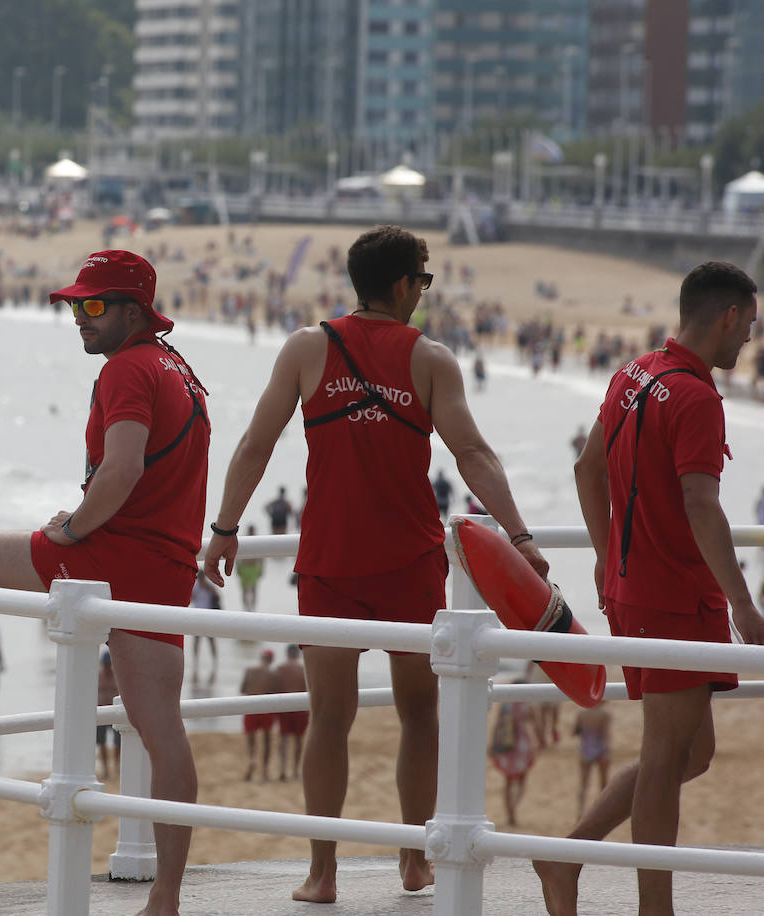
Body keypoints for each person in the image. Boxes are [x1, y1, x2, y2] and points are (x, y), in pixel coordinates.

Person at [202, 225, 548, 904]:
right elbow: (473, 455)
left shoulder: (306, 349)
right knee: (421, 714)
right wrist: (522, 537)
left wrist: (223, 528)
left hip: (329, 562)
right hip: (411, 563)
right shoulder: (430, 359)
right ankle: (414, 861)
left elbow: (254, 445)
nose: (423, 293)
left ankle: (322, 872)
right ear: (400, 285)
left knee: (330, 718)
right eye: (422, 281)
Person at [0, 250, 210, 915]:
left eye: (92, 306)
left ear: (133, 312)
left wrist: (73, 529)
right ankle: (165, 897)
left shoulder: (129, 368)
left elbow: (122, 469)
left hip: (110, 557)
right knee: (163, 733)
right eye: (73, 306)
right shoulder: (180, 368)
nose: (78, 318)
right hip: (167, 566)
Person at [538, 260, 764, 916]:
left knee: (693, 751)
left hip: (640, 591)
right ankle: (650, 907)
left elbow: (587, 472)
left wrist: (612, 566)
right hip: (674, 597)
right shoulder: (695, 397)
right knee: (668, 756)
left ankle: (567, 853)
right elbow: (700, 502)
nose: (748, 341)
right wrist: (745, 605)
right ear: (726, 317)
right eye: (747, 327)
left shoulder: (633, 373)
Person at [488, 695, 538, 827]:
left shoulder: (506, 706)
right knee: (522, 780)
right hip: (523, 745)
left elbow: (497, 725)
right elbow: (536, 725)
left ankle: (510, 811)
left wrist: (492, 743)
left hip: (508, 745)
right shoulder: (527, 705)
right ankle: (514, 806)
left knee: (508, 782)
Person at [240, 648, 277, 781]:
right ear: (271, 660)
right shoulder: (273, 674)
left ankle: (252, 759)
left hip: (251, 706)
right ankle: (265, 770)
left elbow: (242, 689)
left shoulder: (250, 670)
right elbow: (275, 693)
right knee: (267, 740)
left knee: (251, 740)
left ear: (261, 658)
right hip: (266, 708)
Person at [274, 644, 308, 782]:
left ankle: (282, 769)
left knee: (283, 739)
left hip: (285, 706)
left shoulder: (280, 669)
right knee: (298, 740)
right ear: (297, 654)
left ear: (287, 654)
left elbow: (275, 688)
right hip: (300, 706)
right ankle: (295, 770)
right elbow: (308, 689)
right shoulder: (303, 670)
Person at [573, 699, 612, 817]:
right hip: (600, 746)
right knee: (603, 784)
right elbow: (606, 734)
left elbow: (575, 732)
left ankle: (580, 812)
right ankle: (602, 812)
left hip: (586, 747)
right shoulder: (605, 714)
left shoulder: (581, 714)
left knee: (583, 784)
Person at [95, 649, 122, 781]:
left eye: (108, 663)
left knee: (118, 742)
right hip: (100, 712)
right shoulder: (97, 676)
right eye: (105, 663)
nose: (106, 666)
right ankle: (105, 769)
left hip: (115, 712)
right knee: (101, 742)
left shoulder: (118, 676)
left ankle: (117, 767)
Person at [189, 570, 219, 683]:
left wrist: (207, 587)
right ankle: (195, 661)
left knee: (211, 641)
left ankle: (215, 661)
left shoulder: (209, 584)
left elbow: (217, 595)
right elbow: (191, 599)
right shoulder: (195, 586)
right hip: (197, 616)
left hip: (208, 616)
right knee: (196, 641)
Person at [235, 525, 264, 612]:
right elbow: (237, 554)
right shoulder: (244, 540)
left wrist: (261, 568)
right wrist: (237, 568)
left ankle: (253, 608)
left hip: (253, 567)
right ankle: (245, 608)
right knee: (244, 590)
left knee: (254, 589)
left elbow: (262, 556)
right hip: (244, 567)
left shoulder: (258, 541)